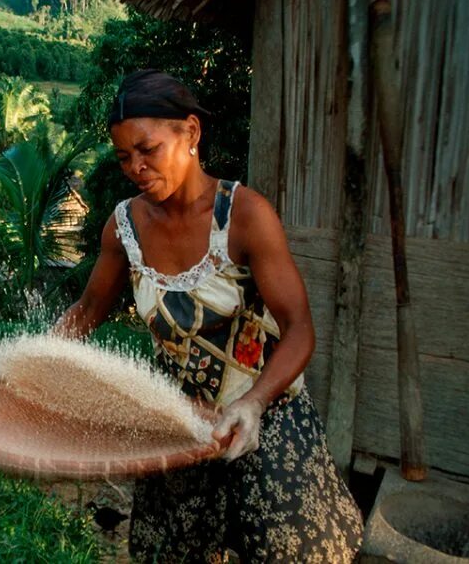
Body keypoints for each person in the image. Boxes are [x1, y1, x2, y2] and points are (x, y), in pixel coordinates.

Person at [54, 70, 363, 563]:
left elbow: (300, 328)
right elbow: (89, 309)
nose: (135, 166)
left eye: (147, 149)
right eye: (123, 157)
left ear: (191, 133)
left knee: (296, 551)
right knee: (172, 554)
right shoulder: (124, 227)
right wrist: (35, 362)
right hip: (178, 423)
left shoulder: (243, 215)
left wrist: (255, 404)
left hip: (266, 414)